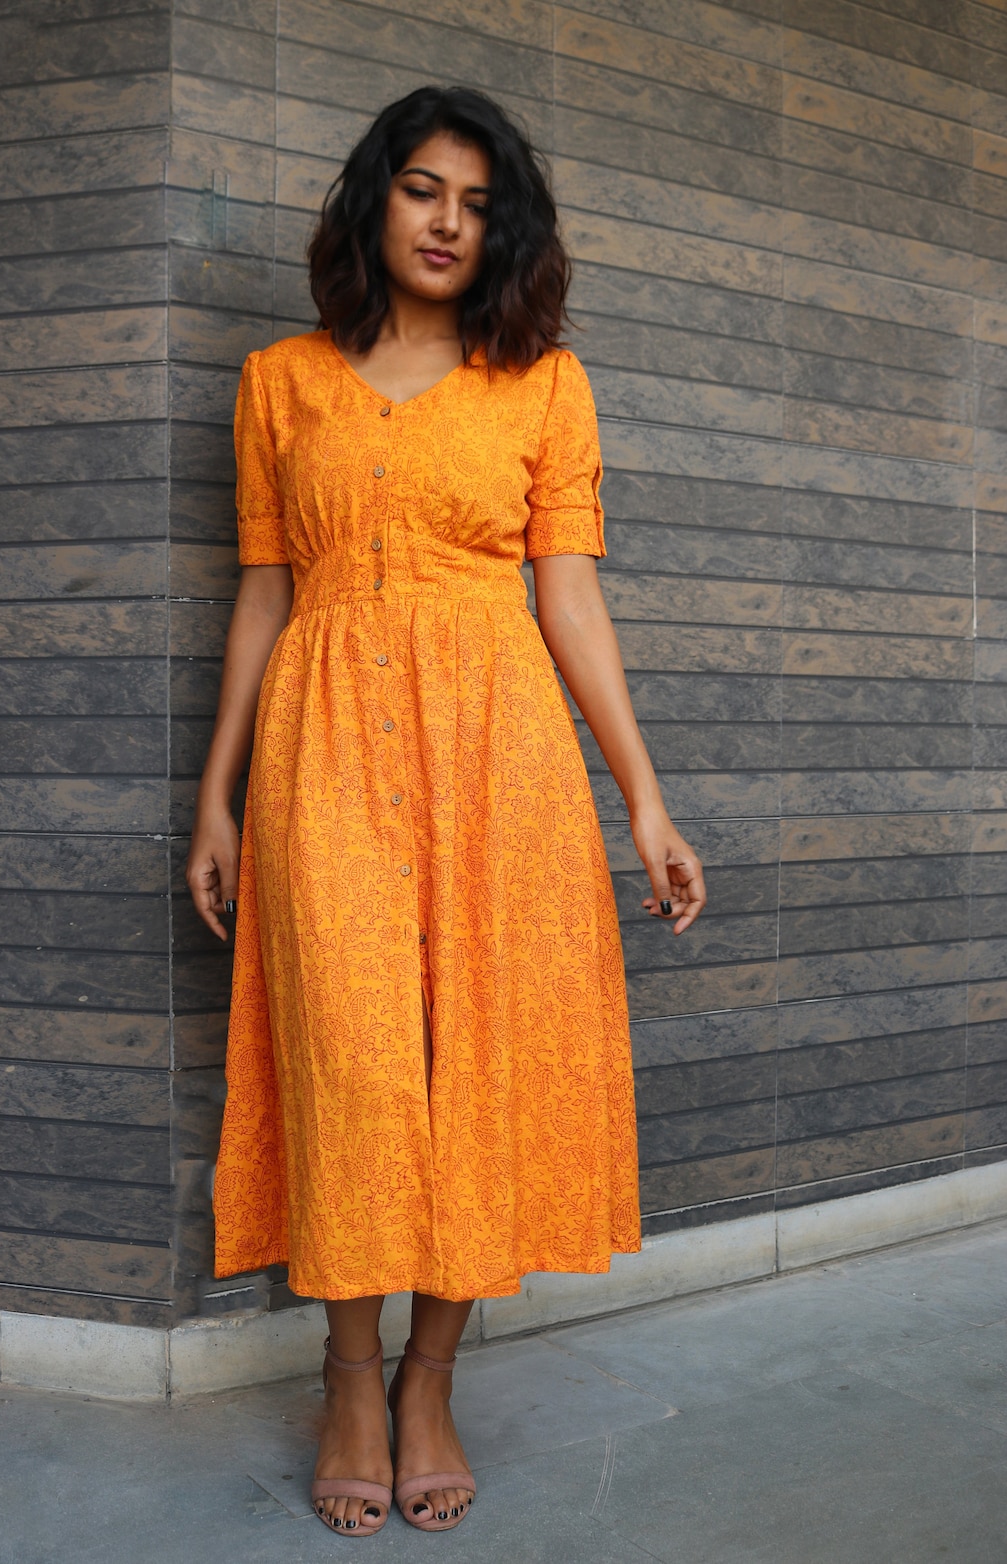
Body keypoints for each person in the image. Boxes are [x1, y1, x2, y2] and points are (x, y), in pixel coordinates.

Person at [185, 85, 706, 1539]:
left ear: (505, 232)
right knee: (352, 1058)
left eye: (478, 205)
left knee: (478, 1064)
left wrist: (645, 802)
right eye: (424, 190)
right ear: (375, 199)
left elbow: (574, 601)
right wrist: (216, 795)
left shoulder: (545, 385)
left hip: (504, 754)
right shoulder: (279, 382)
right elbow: (264, 593)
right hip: (326, 745)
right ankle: (349, 1374)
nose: (447, 223)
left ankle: (429, 1377)